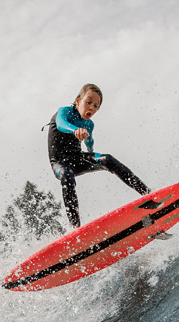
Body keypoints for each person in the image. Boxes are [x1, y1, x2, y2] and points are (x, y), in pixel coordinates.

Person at [45, 83, 150, 228]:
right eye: (88, 102)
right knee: (67, 174)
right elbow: (61, 124)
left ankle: (148, 195)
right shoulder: (64, 112)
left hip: (77, 158)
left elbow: (89, 142)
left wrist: (92, 154)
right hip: (60, 164)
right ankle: (75, 228)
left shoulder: (89, 125)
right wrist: (75, 130)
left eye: (96, 106)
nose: (91, 108)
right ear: (77, 101)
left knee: (107, 159)